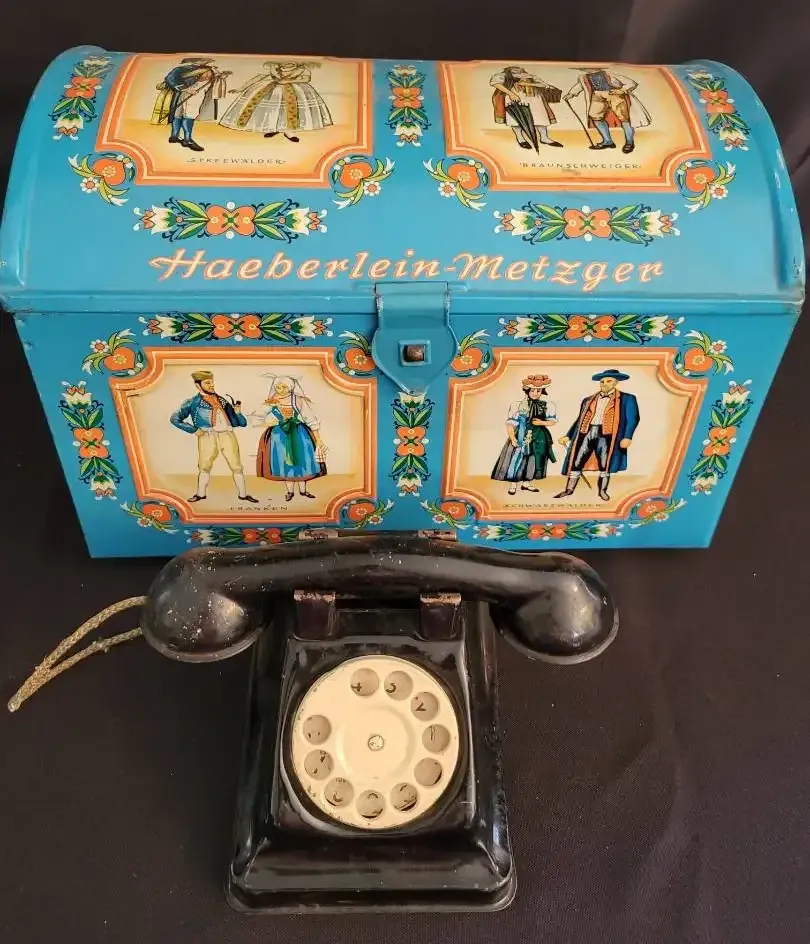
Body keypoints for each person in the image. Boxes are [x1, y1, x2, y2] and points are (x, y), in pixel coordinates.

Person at [169, 370, 258, 504]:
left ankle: (243, 494)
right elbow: (175, 418)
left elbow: (242, 423)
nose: (212, 385)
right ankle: (200, 494)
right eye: (207, 383)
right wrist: (194, 430)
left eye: (212, 382)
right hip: (207, 436)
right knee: (204, 466)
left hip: (227, 435)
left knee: (236, 465)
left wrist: (238, 413)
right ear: (198, 385)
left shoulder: (222, 400)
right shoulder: (193, 402)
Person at [555, 369, 639, 502]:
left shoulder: (627, 399)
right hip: (586, 432)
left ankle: (602, 491)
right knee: (577, 461)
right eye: (602, 381)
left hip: (608, 435)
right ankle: (569, 490)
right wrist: (568, 435)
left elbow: (633, 419)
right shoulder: (588, 400)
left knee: (605, 463)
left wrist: (627, 437)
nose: (604, 384)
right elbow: (579, 420)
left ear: (616, 382)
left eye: (609, 381)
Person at [252, 375, 328, 502]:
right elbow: (256, 417)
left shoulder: (298, 400)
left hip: (299, 434)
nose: (280, 390)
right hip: (279, 436)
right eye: (278, 387)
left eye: (283, 387)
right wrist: (269, 422)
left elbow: (310, 418)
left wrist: (318, 439)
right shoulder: (272, 401)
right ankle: (290, 491)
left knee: (302, 461)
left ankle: (303, 491)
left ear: (290, 387)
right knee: (284, 463)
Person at [219, 60, 332, 141]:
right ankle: (273, 128)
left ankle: (289, 132)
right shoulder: (274, 68)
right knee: (273, 110)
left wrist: (287, 81)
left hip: (296, 91)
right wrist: (240, 89)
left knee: (289, 111)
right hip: (273, 91)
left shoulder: (302, 69)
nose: (287, 64)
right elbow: (258, 78)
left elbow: (306, 79)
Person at [491, 374, 557, 495]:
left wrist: (541, 422)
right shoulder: (518, 404)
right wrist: (512, 438)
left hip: (538, 437)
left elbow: (552, 421)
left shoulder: (548, 405)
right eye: (532, 390)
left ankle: (526, 483)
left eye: (538, 391)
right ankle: (513, 485)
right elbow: (510, 424)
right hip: (520, 435)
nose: (535, 393)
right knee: (516, 458)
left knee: (533, 459)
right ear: (527, 390)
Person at [151, 57, 231, 152]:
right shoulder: (184, 69)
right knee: (180, 114)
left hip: (197, 95)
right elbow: (170, 78)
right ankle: (181, 138)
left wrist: (223, 76)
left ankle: (184, 138)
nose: (207, 62)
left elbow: (215, 79)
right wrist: (186, 89)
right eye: (204, 61)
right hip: (183, 93)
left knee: (188, 114)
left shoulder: (210, 69)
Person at [563, 66, 651, 153]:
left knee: (624, 118)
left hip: (614, 95)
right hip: (597, 96)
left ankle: (629, 142)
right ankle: (608, 141)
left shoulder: (610, 74)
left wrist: (622, 90)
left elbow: (632, 83)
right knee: (595, 116)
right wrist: (571, 94)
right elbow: (580, 86)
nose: (585, 70)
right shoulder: (583, 77)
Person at [489, 65, 563, 148]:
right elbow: (495, 83)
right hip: (515, 98)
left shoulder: (529, 75)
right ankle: (520, 139)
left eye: (518, 68)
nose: (517, 69)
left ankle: (544, 138)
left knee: (540, 117)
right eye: (514, 68)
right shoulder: (503, 75)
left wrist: (524, 83)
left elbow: (543, 85)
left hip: (534, 99)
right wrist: (511, 94)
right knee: (516, 119)